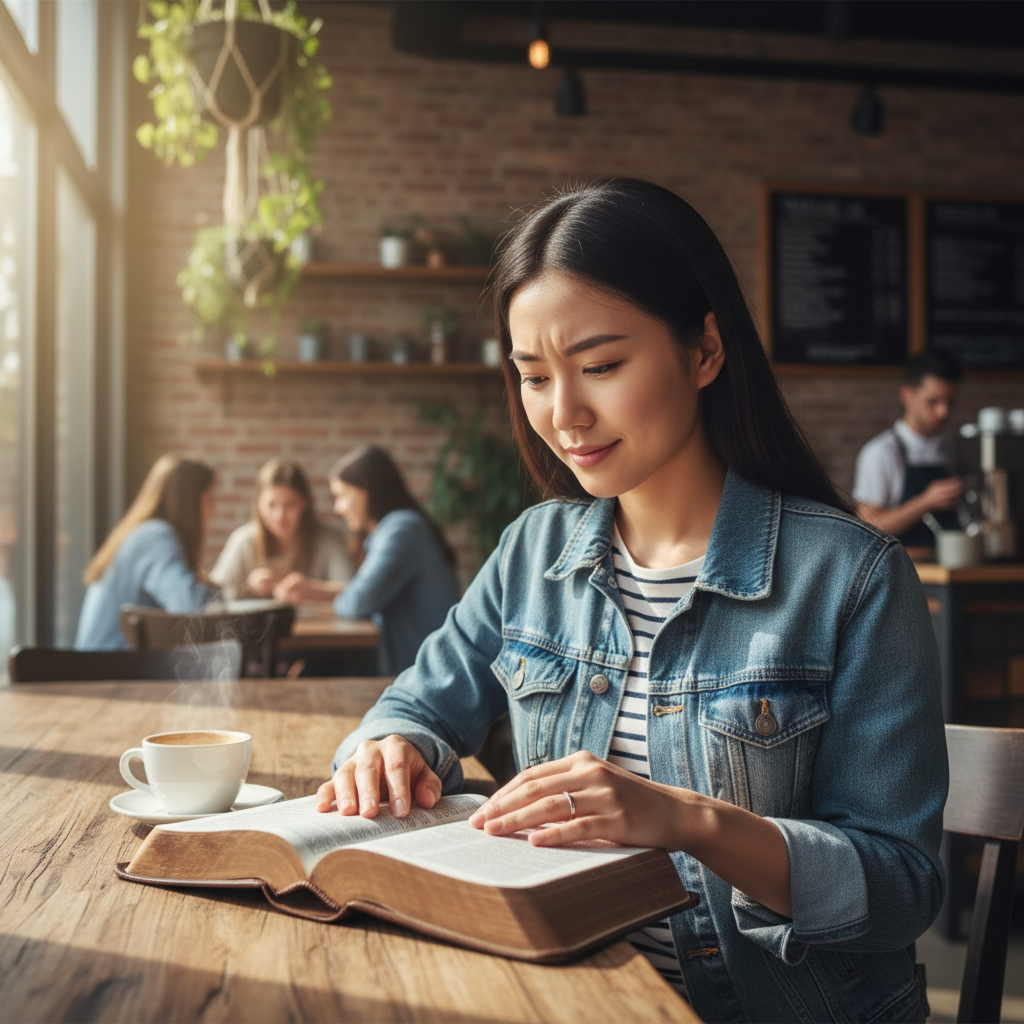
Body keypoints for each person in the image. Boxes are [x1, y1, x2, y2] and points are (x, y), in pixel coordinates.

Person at [313, 180, 947, 1023]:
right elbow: (419, 702)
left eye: (601, 366)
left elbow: (901, 889)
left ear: (706, 351)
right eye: (533, 376)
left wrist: (689, 821)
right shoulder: (533, 552)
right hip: (568, 997)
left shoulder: (854, 580)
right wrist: (391, 744)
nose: (564, 414)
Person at [274, 445, 460, 675]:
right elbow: (363, 594)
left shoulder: (401, 530)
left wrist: (312, 591)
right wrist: (311, 590)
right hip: (411, 664)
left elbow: (358, 602)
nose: (338, 508)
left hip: (423, 672)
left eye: (342, 496)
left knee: (306, 669)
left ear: (366, 491)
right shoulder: (396, 529)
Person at [75, 455, 216, 650]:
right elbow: (189, 607)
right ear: (190, 502)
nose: (212, 511)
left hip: (105, 665)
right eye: (209, 500)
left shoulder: (141, 533)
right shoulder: (156, 537)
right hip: (112, 668)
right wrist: (222, 592)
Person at [853, 352, 963, 557]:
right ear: (907, 395)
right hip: (902, 573)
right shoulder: (880, 453)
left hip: (952, 569)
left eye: (949, 403)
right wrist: (927, 501)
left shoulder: (954, 449)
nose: (943, 412)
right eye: (933, 402)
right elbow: (867, 526)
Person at [210, 459, 352, 601]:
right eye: (271, 505)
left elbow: (353, 591)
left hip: (319, 623)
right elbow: (213, 593)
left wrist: (311, 590)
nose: (280, 516)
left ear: (304, 503)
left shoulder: (329, 539)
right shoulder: (244, 540)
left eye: (289, 505)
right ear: (258, 504)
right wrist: (248, 586)